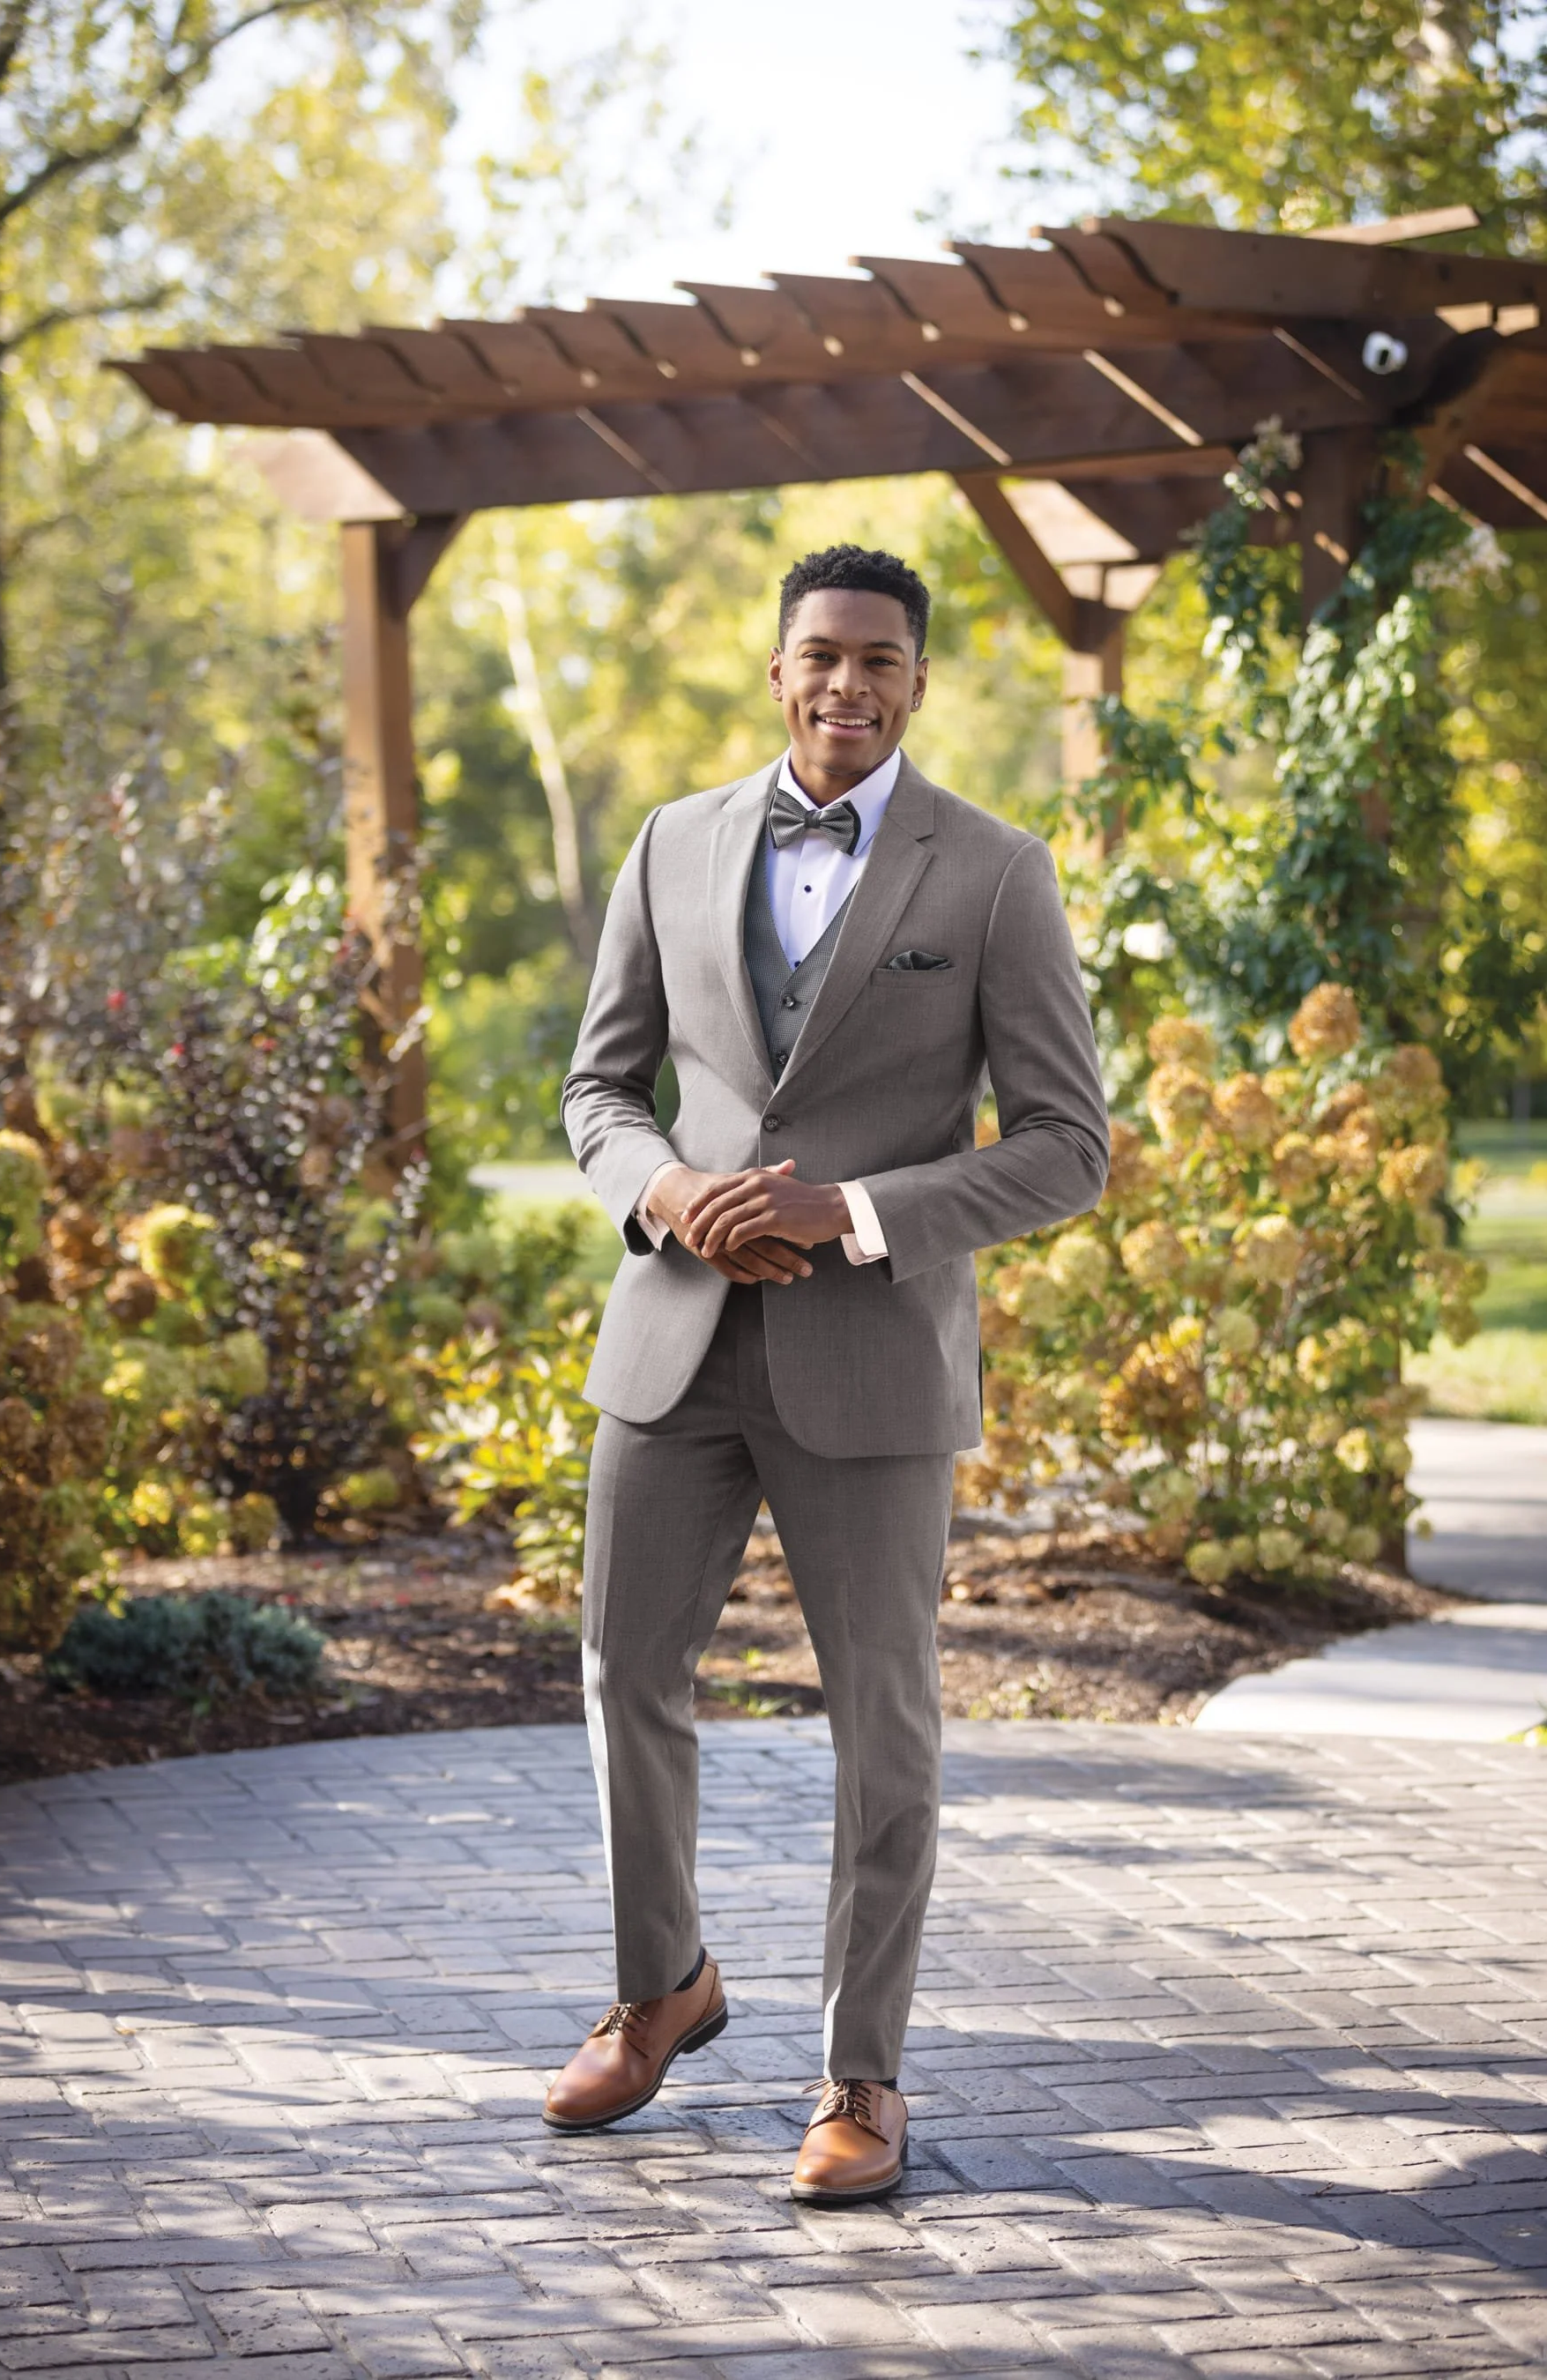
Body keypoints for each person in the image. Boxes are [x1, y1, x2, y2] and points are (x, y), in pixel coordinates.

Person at [548, 543, 1109, 2203]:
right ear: (777, 666)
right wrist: (667, 1194)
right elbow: (599, 1093)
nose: (846, 684)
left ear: (918, 681)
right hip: (674, 1338)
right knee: (619, 1677)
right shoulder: (670, 841)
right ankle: (663, 1990)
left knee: (885, 1723)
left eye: (880, 660)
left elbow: (1069, 1150)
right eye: (820, 655)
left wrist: (853, 1211)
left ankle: (861, 2075)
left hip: (870, 1362)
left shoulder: (994, 874)